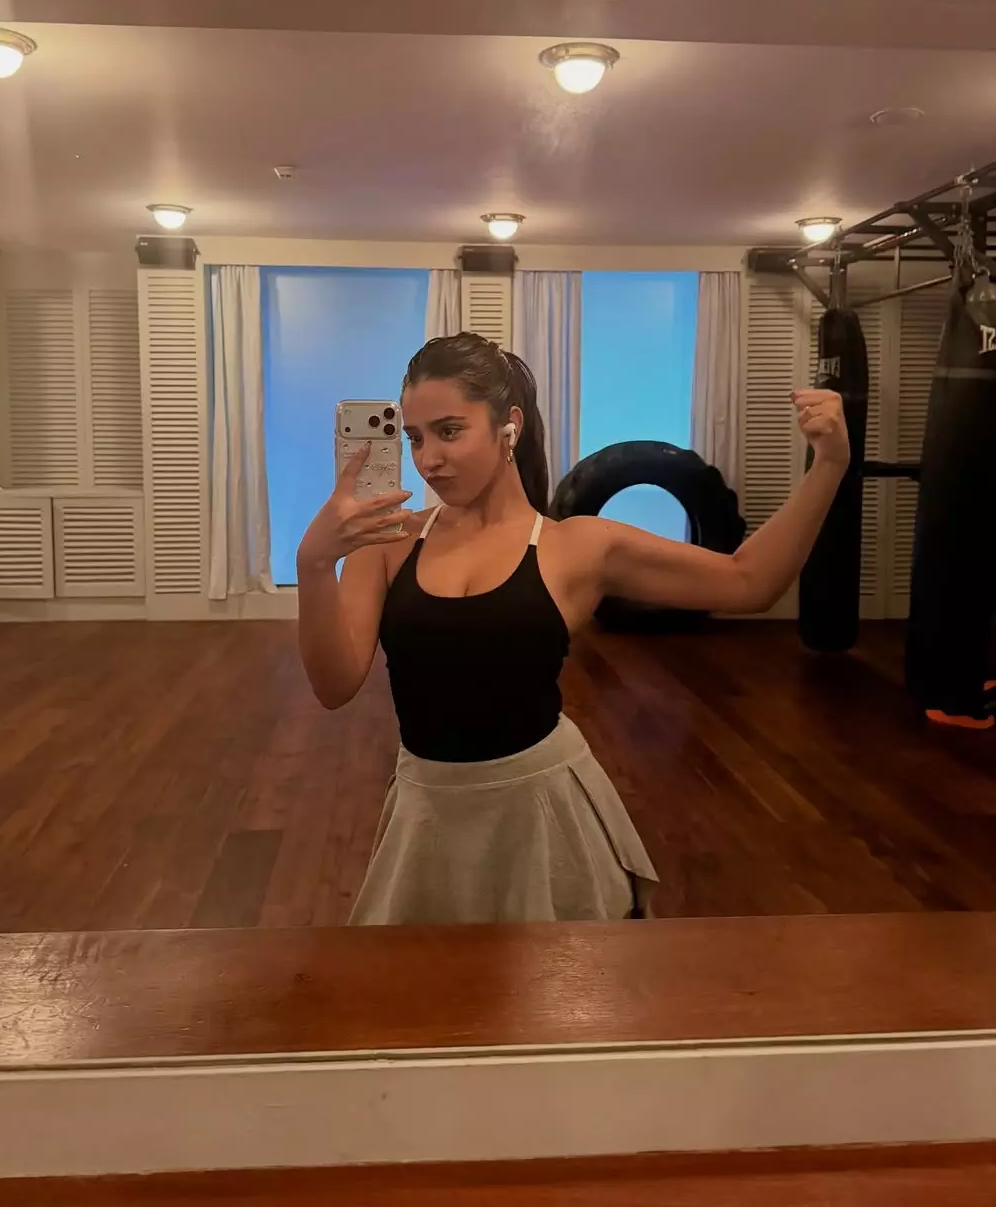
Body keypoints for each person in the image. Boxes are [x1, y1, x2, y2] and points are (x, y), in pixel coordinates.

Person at [297, 332, 848, 925]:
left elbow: (749, 582)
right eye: (415, 438)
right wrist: (314, 563)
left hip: (540, 810)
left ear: (509, 427)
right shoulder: (387, 542)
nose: (428, 459)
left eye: (449, 431)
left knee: (550, 983)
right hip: (427, 808)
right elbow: (334, 686)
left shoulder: (577, 547)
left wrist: (831, 464)